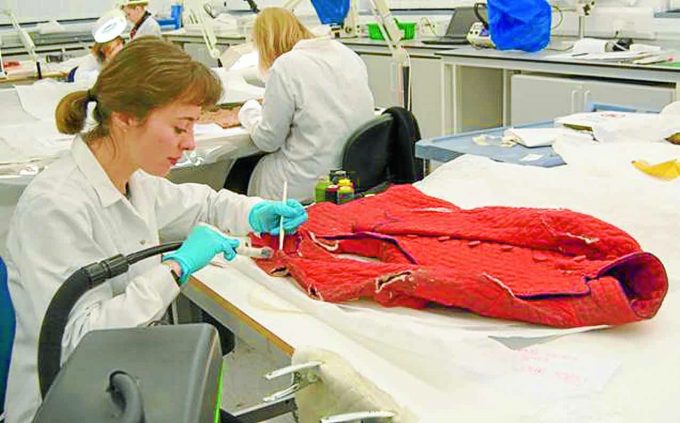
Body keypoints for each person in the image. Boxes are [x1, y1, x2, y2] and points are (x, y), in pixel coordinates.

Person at [3, 37, 307, 423]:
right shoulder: (56, 206)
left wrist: (257, 211)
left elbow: (203, 204)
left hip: (130, 377)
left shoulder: (131, 178)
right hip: (69, 400)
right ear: (126, 116)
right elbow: (77, 341)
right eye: (181, 127)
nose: (191, 143)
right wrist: (176, 269)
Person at [226, 7, 375, 202]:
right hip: (353, 178)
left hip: (305, 183)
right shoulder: (347, 54)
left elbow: (268, 140)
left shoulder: (286, 65)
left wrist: (247, 111)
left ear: (267, 43)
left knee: (240, 170)